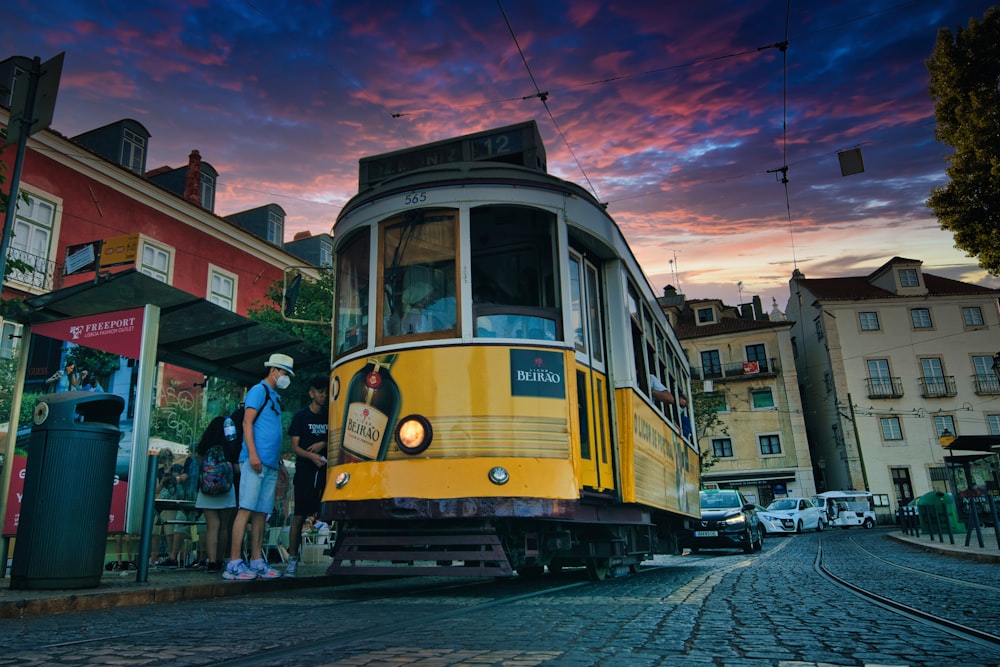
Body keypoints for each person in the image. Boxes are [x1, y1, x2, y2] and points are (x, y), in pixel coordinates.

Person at [223, 353, 294, 581]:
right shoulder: (259, 391)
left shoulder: (274, 396)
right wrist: (253, 454)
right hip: (256, 461)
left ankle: (256, 560)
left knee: (262, 513)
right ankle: (234, 562)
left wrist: (278, 462)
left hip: (270, 463)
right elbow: (247, 422)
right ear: (274, 370)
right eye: (285, 373)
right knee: (246, 509)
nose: (286, 378)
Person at [284, 375, 329, 577]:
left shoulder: (330, 415)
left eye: (326, 391)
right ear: (311, 394)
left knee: (327, 513)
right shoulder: (301, 417)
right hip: (305, 470)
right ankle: (292, 559)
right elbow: (295, 446)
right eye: (320, 391)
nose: (324, 395)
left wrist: (324, 444)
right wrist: (311, 455)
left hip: (326, 471)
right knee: (299, 515)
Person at [194, 416, 237, 574]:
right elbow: (235, 467)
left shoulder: (204, 446)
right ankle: (220, 560)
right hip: (226, 489)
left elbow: (199, 464)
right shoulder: (229, 445)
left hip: (207, 490)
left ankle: (211, 562)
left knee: (212, 526)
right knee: (224, 527)